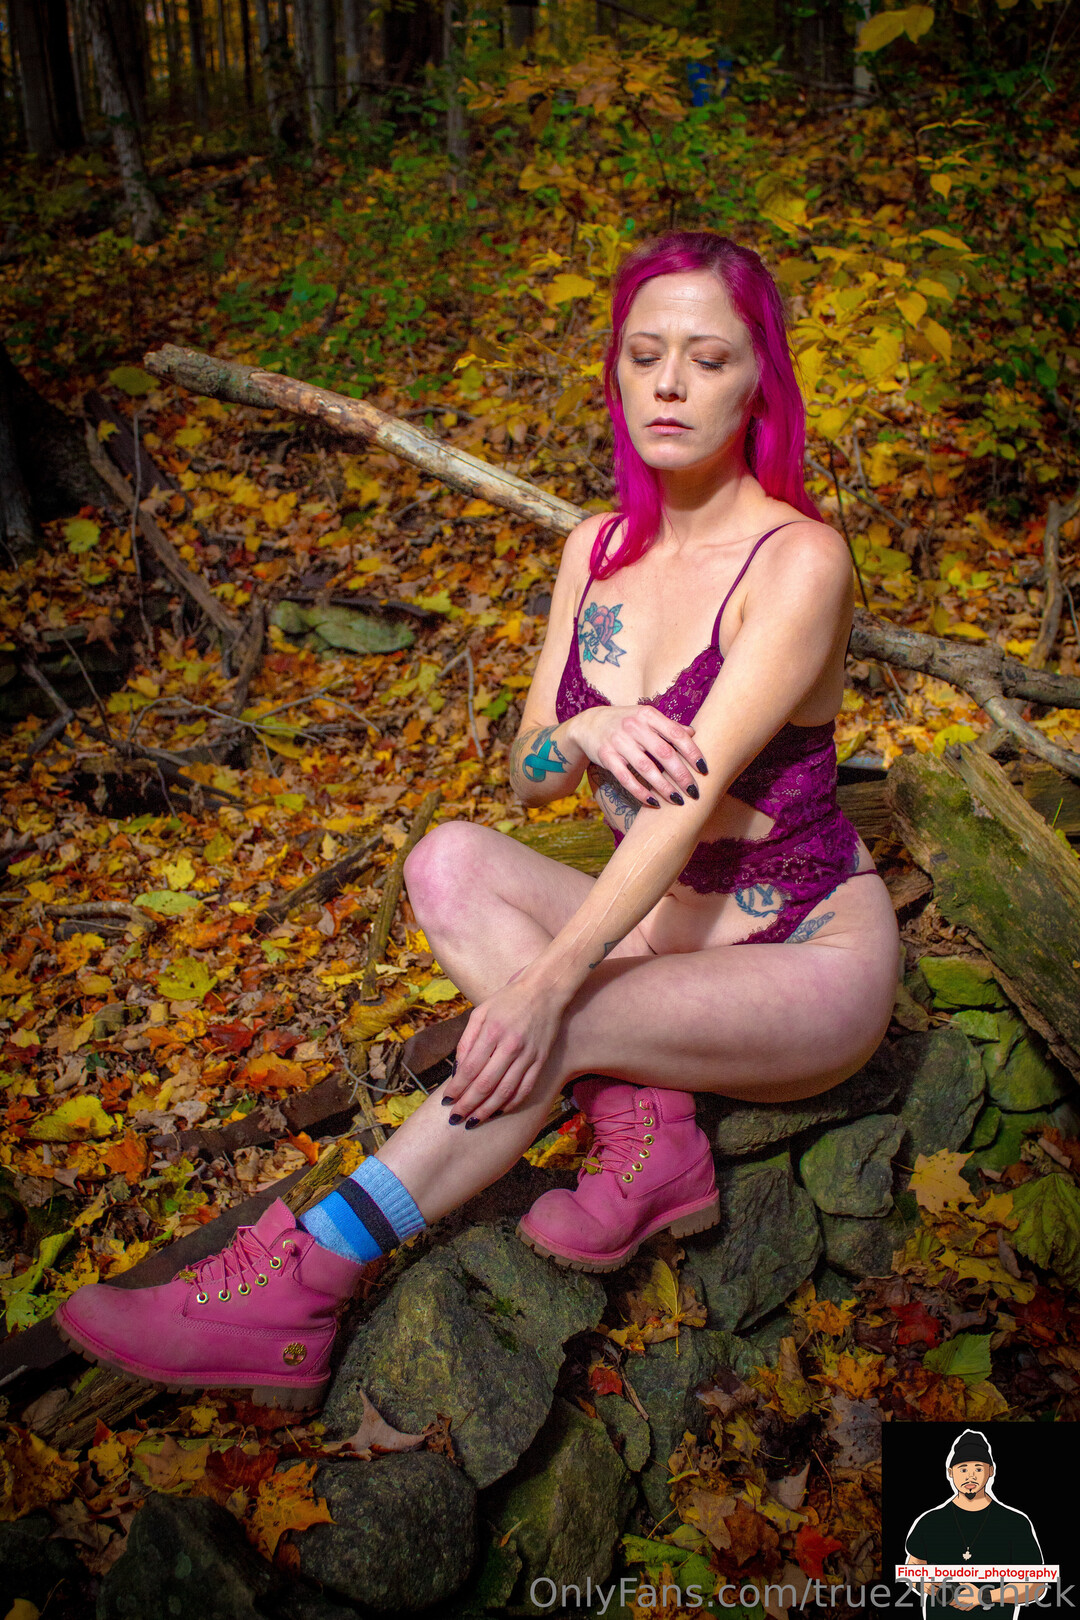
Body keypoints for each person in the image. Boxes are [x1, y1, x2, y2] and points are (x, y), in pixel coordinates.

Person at [56, 230, 901, 1409]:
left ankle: (304, 1279)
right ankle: (650, 1130)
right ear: (615, 371)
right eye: (644, 353)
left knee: (550, 1021)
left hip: (804, 953)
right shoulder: (595, 550)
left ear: (760, 381)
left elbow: (680, 809)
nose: (669, 383)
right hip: (661, 932)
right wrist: (590, 729)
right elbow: (530, 775)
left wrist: (547, 984)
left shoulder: (798, 560)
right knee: (446, 861)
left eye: (707, 358)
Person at [898, 1430, 1048, 1615]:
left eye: (978, 1469)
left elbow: (1036, 1585)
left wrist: (983, 1596)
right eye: (963, 1469)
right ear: (950, 1472)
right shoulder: (929, 1523)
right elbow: (912, 1569)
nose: (970, 1476)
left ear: (991, 1471)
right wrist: (926, 1584)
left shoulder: (1015, 1524)